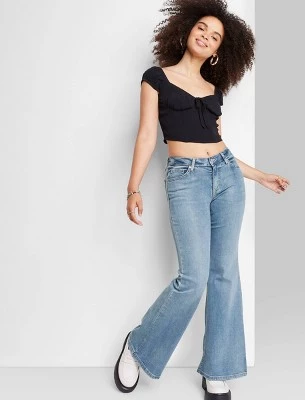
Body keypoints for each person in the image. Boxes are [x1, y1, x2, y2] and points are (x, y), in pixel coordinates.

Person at [114, 0, 290, 398]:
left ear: (217, 52)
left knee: (225, 274)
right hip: (185, 179)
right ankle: (138, 347)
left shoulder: (214, 91)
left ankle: (218, 368)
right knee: (192, 278)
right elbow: (147, 135)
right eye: (202, 29)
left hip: (226, 178)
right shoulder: (156, 78)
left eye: (215, 37)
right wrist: (133, 187)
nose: (206, 37)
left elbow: (218, 147)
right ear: (187, 30)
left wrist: (260, 176)